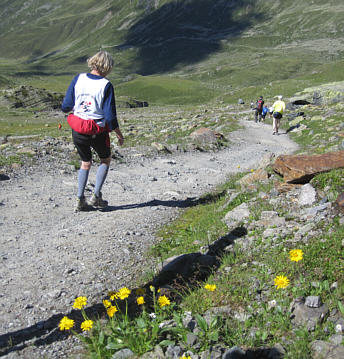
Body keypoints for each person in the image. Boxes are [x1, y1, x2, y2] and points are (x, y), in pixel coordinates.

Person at [61, 51, 124, 211]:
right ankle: (96, 196)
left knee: (85, 163)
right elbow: (110, 116)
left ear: (93, 62)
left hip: (78, 129)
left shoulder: (78, 78)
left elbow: (66, 106)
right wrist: (118, 132)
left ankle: (80, 199)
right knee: (105, 159)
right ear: (108, 67)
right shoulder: (106, 85)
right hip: (97, 130)